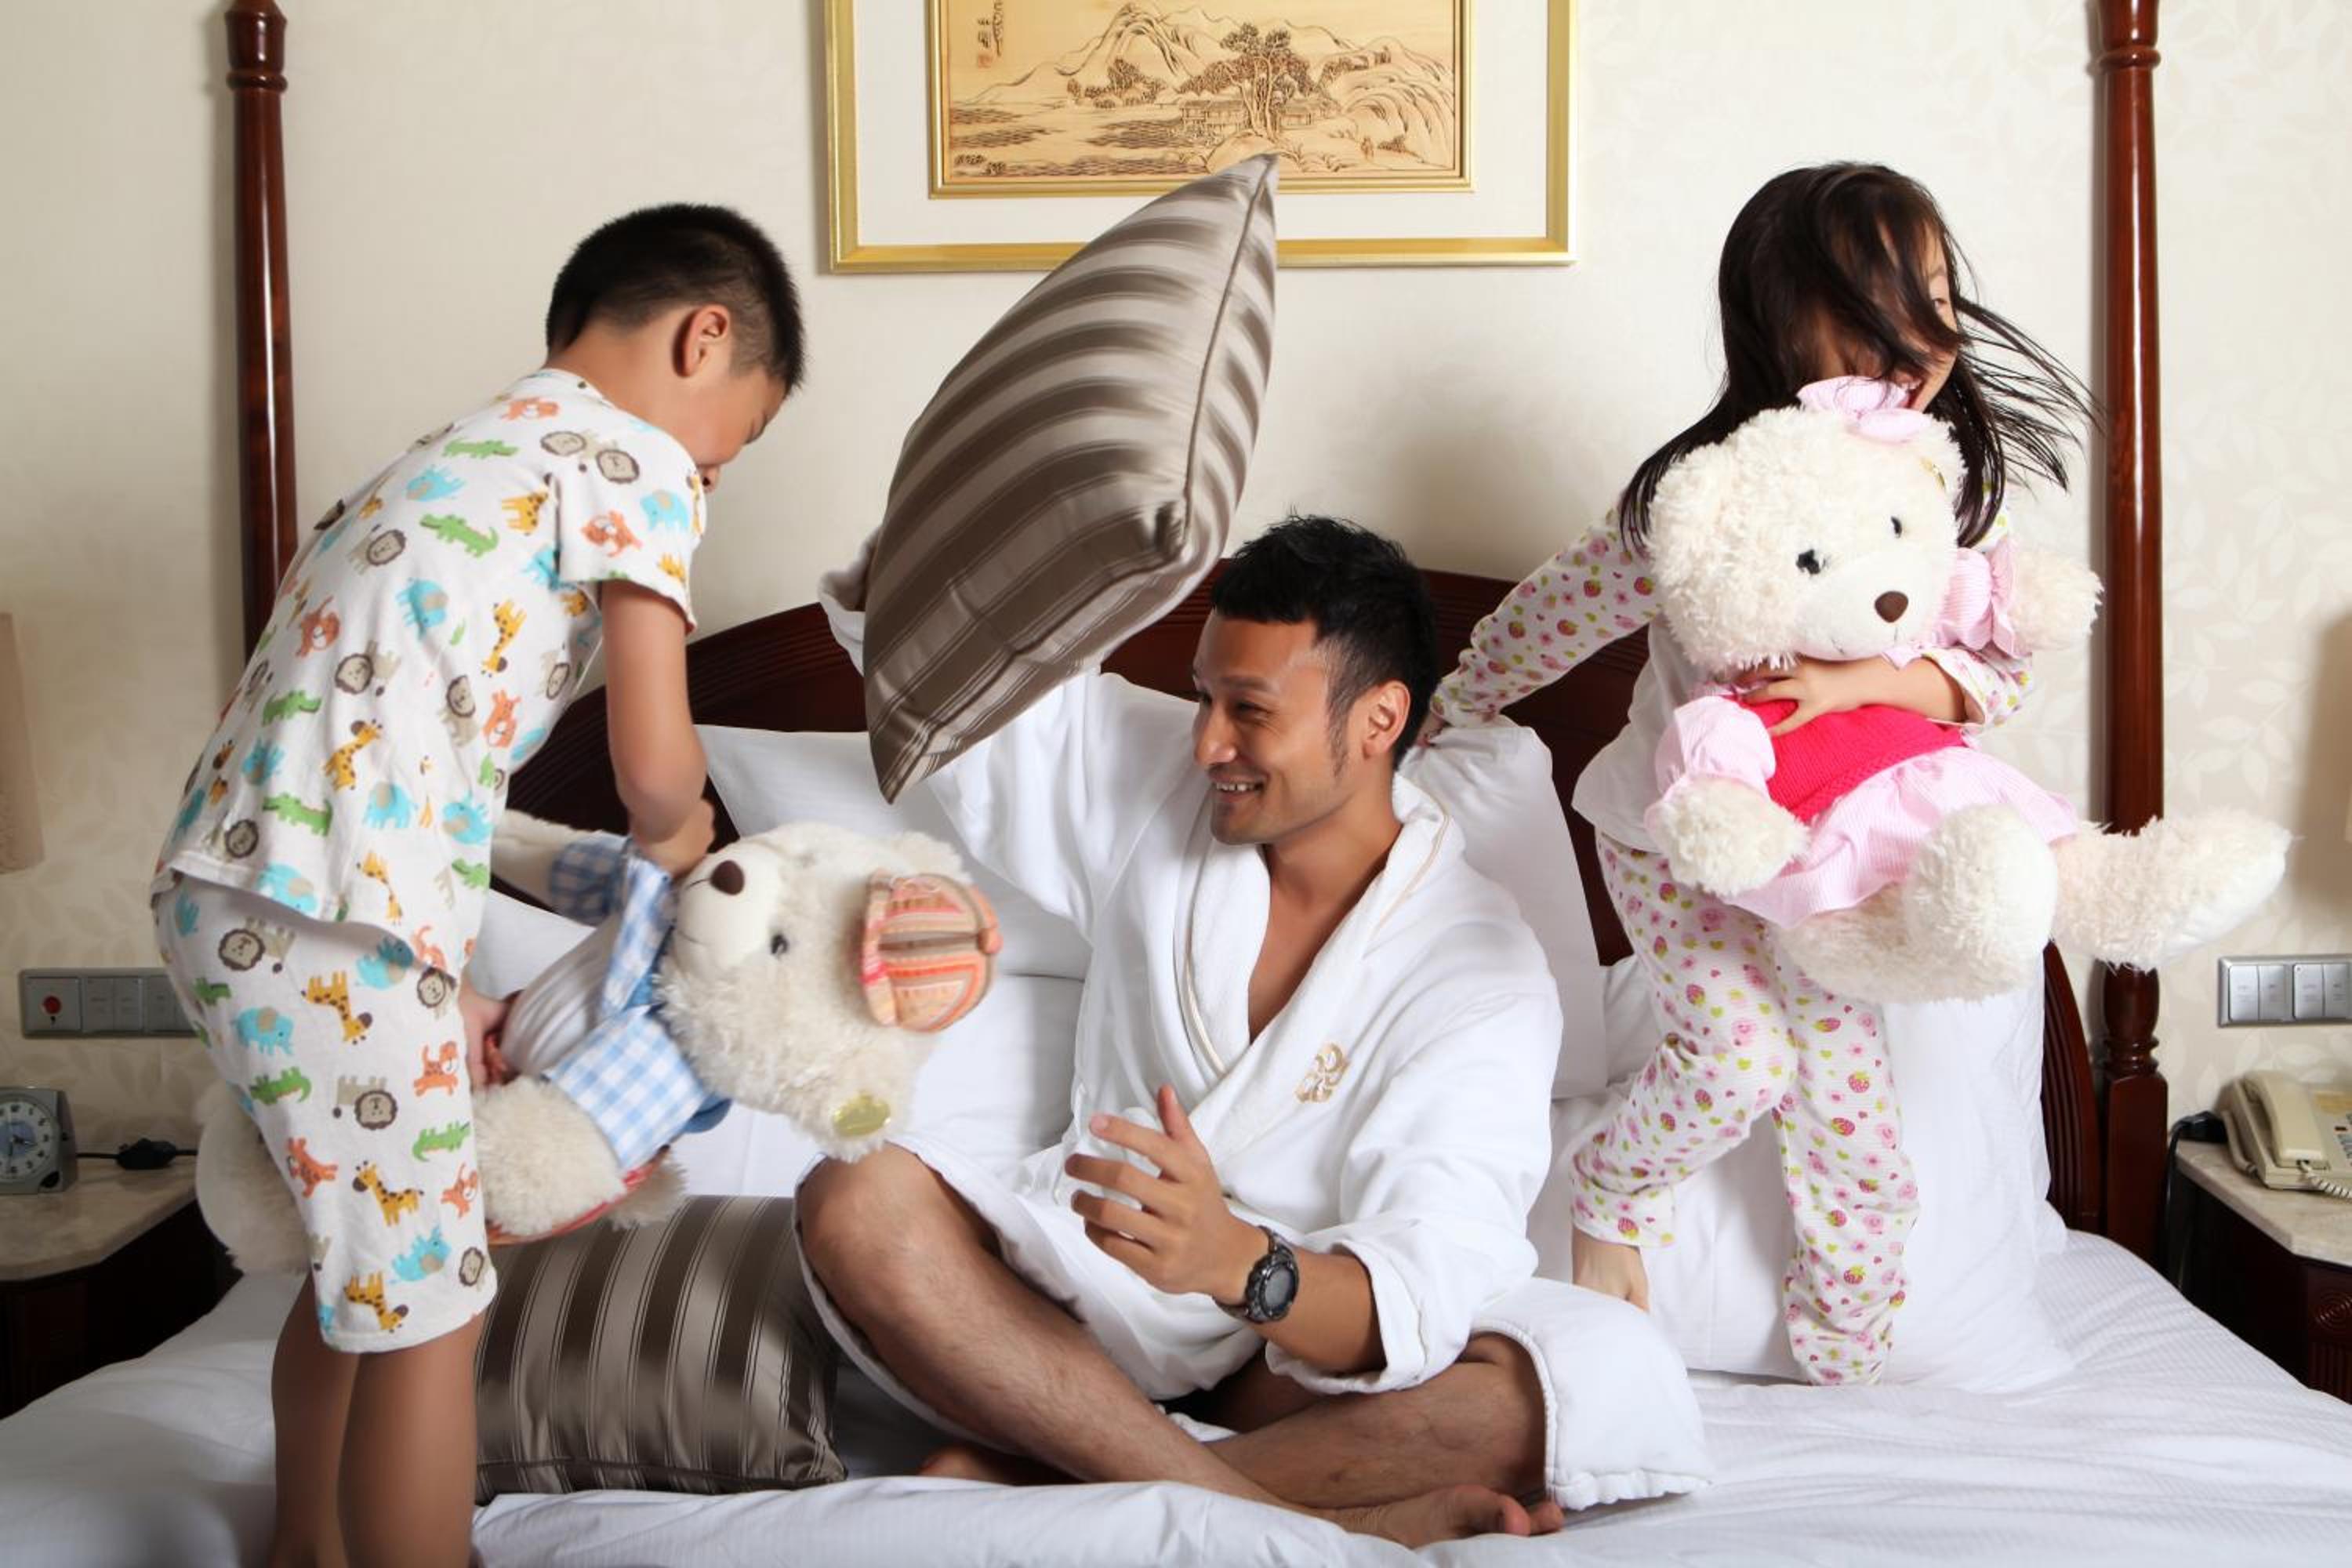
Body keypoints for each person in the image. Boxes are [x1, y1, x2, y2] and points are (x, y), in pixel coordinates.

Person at [799, 516, 1705, 1549]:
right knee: (856, 1194)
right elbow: (966, 703)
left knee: (1558, 1387)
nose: (1207, 744)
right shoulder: (1156, 782)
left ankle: (1053, 1474)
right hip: (1078, 1295)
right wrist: (928, 538)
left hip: (1284, 1351)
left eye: (1250, 711)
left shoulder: (1481, 973)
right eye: (1203, 696)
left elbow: (1423, 1278)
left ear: (1379, 720)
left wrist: (1234, 1260)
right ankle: (1279, 1515)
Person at [151, 203, 801, 1566]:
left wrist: (437, 981)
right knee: (434, 1305)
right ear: (705, 337)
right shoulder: (632, 458)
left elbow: (376, 753)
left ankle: (305, 1545)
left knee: (368, 1264)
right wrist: (686, 843)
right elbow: (653, 766)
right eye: (736, 443)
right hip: (333, 908)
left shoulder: (443, 460)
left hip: (239, 887)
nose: (714, 475)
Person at [1425, 162, 2089, 1383]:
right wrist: (1456, 701)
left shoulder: (1931, 487)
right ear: (1780, 324)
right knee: (1741, 1059)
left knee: (1854, 1120)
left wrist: (1868, 682)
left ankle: (1847, 1363)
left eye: (1937, 297)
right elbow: (1558, 609)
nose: (1920, 337)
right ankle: (1612, 1187)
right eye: (1875, 307)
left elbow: (2000, 678)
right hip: (1680, 837)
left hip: (1824, 853)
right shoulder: (1701, 501)